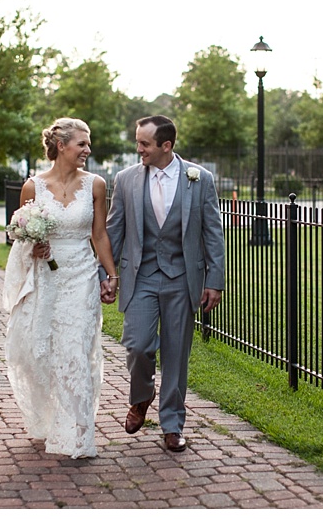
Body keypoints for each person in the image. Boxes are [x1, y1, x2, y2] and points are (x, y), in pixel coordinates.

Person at [105, 115, 225, 452]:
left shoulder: (200, 179)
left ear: (166, 145)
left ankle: (172, 424)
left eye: (144, 143)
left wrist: (214, 280)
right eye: (138, 141)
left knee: (176, 355)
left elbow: (212, 233)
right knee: (138, 345)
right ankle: (142, 397)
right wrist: (107, 275)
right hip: (140, 276)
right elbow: (114, 231)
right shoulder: (126, 179)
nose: (138, 148)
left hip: (182, 278)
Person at [2, 117, 119, 459]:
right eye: (82, 143)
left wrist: (111, 276)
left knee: (76, 351)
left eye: (88, 143)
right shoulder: (32, 187)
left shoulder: (96, 185)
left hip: (81, 276)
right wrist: (33, 247)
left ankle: (77, 435)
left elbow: (99, 235)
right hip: (45, 277)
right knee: (40, 353)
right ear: (62, 146)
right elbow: (21, 237)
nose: (88, 149)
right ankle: (47, 418)